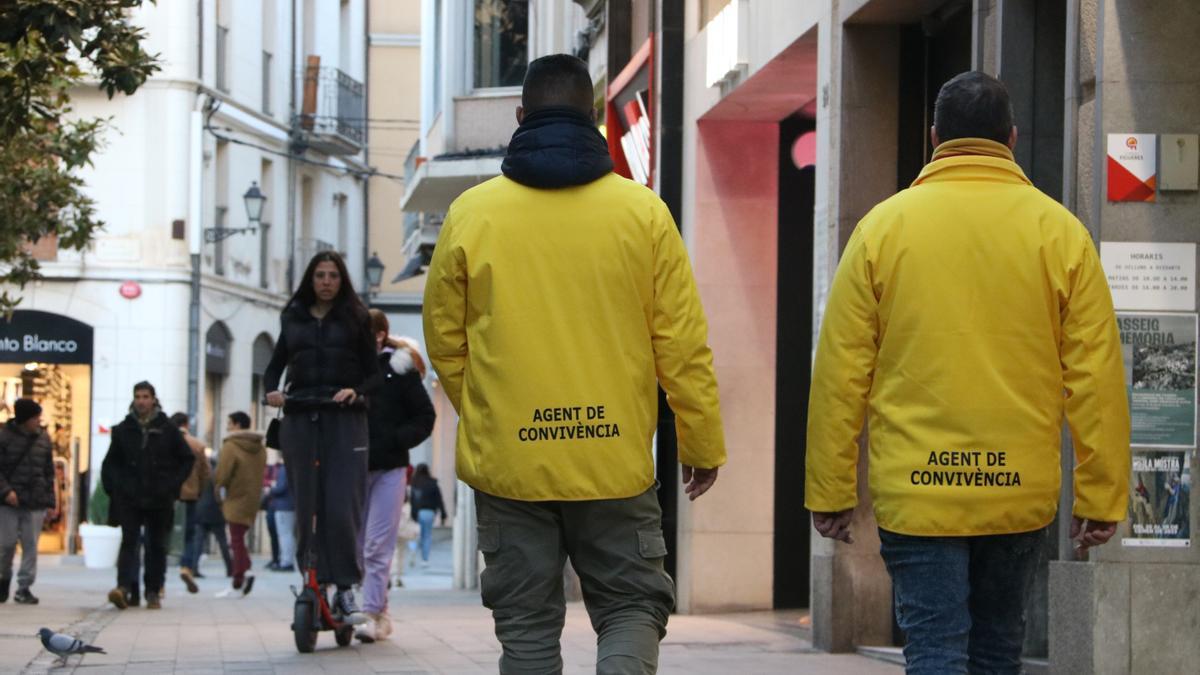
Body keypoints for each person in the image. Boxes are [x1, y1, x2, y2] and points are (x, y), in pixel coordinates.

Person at [805, 71, 1130, 674]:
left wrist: (830, 490)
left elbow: (840, 371)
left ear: (934, 137)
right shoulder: (1059, 233)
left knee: (934, 648)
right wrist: (1101, 494)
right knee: (997, 649)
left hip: (917, 490)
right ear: (1011, 137)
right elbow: (1096, 375)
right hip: (1019, 492)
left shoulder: (882, 229)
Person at [423, 54, 726, 674]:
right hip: (612, 459)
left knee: (528, 628)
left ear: (518, 117)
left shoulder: (471, 215)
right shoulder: (641, 213)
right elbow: (681, 341)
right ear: (594, 118)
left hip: (511, 462)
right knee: (633, 605)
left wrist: (489, 414)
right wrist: (700, 438)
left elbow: (445, 341)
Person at [264, 250, 381, 624]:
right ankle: (310, 578)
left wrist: (356, 392)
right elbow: (273, 368)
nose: (326, 282)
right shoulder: (293, 317)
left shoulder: (356, 318)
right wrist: (272, 392)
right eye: (320, 275)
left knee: (340, 505)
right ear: (310, 280)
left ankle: (346, 589)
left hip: (344, 418)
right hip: (300, 416)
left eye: (332, 275)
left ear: (341, 279)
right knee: (307, 506)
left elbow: (374, 374)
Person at [356, 311, 436, 643]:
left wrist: (396, 439)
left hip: (389, 468)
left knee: (376, 545)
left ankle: (372, 614)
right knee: (357, 545)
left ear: (379, 335)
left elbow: (425, 415)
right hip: (352, 468)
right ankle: (379, 612)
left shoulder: (399, 370)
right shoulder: (349, 370)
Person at [101, 381, 195, 610]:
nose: (141, 401)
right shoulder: (124, 429)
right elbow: (110, 464)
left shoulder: (167, 428)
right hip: (130, 497)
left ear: (153, 399)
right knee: (129, 543)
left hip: (159, 497)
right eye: (138, 396)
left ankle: (153, 591)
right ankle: (125, 588)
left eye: (145, 396)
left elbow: (186, 459)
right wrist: (115, 488)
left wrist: (172, 486)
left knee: (156, 545)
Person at [0, 399, 56, 605]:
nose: (38, 421)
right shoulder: (4, 436)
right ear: (24, 419)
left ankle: (24, 587)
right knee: (5, 545)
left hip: (35, 501)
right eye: (35, 417)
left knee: (31, 546)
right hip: (9, 502)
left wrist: (50, 501)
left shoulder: (43, 438)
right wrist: (6, 492)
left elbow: (48, 472)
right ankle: (3, 579)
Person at [213, 411, 266, 597]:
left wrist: (218, 489)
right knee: (239, 537)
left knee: (235, 539)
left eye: (229, 423)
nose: (227, 427)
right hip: (252, 497)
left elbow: (222, 474)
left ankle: (240, 577)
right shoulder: (260, 447)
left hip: (235, 497)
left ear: (236, 424)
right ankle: (244, 573)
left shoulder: (231, 446)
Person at [172, 411, 211, 594]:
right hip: (190, 496)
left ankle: (160, 582)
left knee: (163, 534)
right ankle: (186, 566)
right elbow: (205, 473)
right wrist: (198, 490)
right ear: (186, 424)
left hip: (168, 496)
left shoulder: (165, 443)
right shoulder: (196, 445)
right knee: (189, 534)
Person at [193, 455, 233, 579]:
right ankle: (230, 568)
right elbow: (220, 494)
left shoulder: (202, 476)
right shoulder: (218, 476)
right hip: (216, 513)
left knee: (198, 542)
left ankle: (194, 567)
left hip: (201, 511)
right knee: (222, 542)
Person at [407, 464, 445, 569]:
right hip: (429, 512)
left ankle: (413, 550)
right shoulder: (433, 483)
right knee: (427, 536)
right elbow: (439, 499)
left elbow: (412, 499)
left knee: (414, 534)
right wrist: (443, 514)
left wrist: (411, 513)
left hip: (416, 512)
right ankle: (425, 559)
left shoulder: (414, 483)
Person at [266, 461, 295, 572]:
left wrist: (271, 489)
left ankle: (286, 562)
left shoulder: (284, 468)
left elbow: (281, 487)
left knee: (284, 535)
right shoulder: (293, 467)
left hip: (283, 506)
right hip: (290, 505)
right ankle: (287, 560)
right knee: (288, 535)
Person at [261, 456, 282, 570]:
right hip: (271, 506)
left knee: (281, 534)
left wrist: (271, 487)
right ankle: (275, 558)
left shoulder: (281, 469)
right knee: (273, 533)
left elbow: (279, 487)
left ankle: (279, 559)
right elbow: (264, 481)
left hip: (278, 506)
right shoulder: (270, 468)